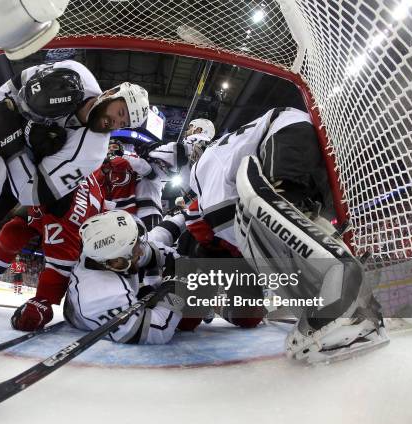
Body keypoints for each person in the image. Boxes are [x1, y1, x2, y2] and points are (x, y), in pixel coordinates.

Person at [0, 59, 149, 319]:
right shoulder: (77, 72)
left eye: (123, 125)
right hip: (11, 135)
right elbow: (5, 91)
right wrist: (7, 115)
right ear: (111, 93)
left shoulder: (94, 151)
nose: (115, 123)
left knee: (1, 216)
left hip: (38, 182)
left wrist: (13, 142)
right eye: (120, 112)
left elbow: (30, 193)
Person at [187, 107, 387, 361]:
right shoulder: (221, 154)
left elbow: (224, 213)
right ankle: (358, 307)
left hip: (286, 138)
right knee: (301, 227)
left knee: (254, 223)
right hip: (303, 143)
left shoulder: (202, 171)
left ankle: (342, 293)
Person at [0, 174, 106, 330]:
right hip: (51, 193)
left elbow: (60, 269)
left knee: (61, 266)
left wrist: (43, 302)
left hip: (72, 218)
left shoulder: (68, 217)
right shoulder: (53, 183)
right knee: (12, 232)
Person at [63, 210, 186, 344]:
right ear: (116, 262)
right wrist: (176, 288)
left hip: (118, 297)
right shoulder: (102, 296)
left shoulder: (109, 253)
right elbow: (158, 331)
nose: (141, 251)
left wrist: (179, 261)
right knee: (187, 317)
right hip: (100, 311)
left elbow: (153, 253)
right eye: (135, 247)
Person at [134, 118, 215, 229]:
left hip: (201, 209)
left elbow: (151, 155)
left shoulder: (183, 149)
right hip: (210, 207)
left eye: (190, 127)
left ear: (199, 130)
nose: (187, 131)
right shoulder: (212, 151)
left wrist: (147, 149)